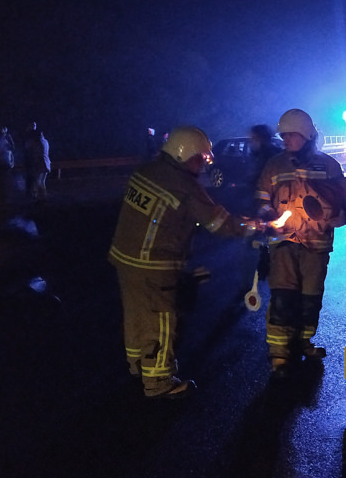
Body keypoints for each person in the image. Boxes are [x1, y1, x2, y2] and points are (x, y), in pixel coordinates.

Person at [109, 126, 265, 399]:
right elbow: (218, 223)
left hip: (124, 257)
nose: (204, 164)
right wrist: (252, 227)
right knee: (161, 320)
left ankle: (138, 365)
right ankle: (159, 382)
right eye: (202, 158)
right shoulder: (184, 185)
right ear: (185, 154)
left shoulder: (147, 171)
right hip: (153, 264)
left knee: (136, 315)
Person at [255, 109, 346, 379]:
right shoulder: (274, 166)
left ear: (307, 135)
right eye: (283, 135)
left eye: (291, 135)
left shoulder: (329, 166)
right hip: (283, 245)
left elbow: (345, 209)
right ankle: (279, 355)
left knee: (310, 299)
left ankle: (304, 342)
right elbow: (262, 200)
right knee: (283, 298)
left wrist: (335, 215)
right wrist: (266, 216)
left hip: (316, 246)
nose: (285, 139)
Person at [26, 130, 51, 200]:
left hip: (40, 164)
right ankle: (43, 197)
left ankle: (40, 198)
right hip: (46, 163)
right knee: (42, 182)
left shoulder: (37, 142)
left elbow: (35, 154)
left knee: (38, 182)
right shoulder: (45, 141)